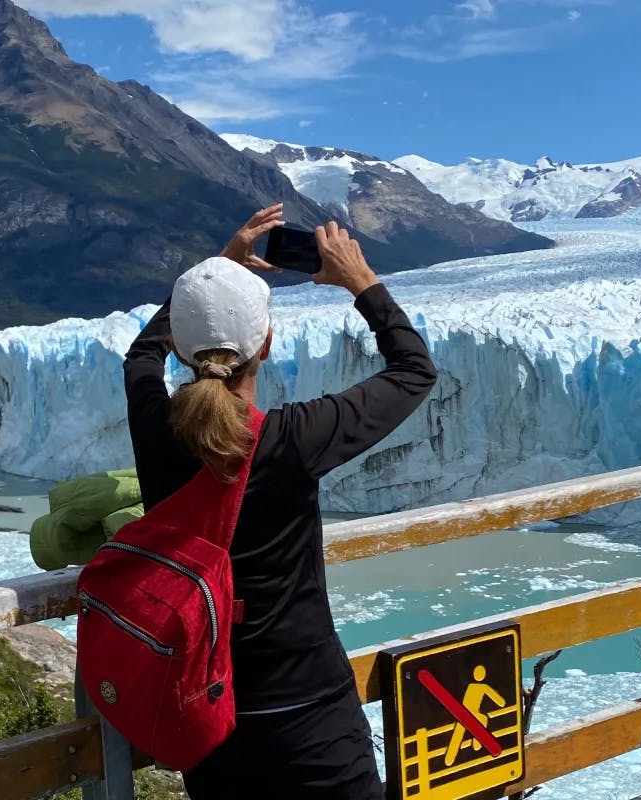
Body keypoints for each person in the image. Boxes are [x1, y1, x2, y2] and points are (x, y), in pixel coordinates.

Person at [123, 204, 438, 799]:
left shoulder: (154, 426)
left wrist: (213, 274)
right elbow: (413, 371)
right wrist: (360, 280)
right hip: (308, 714)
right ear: (266, 342)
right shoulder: (292, 439)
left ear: (184, 351)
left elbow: (141, 358)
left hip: (208, 716)